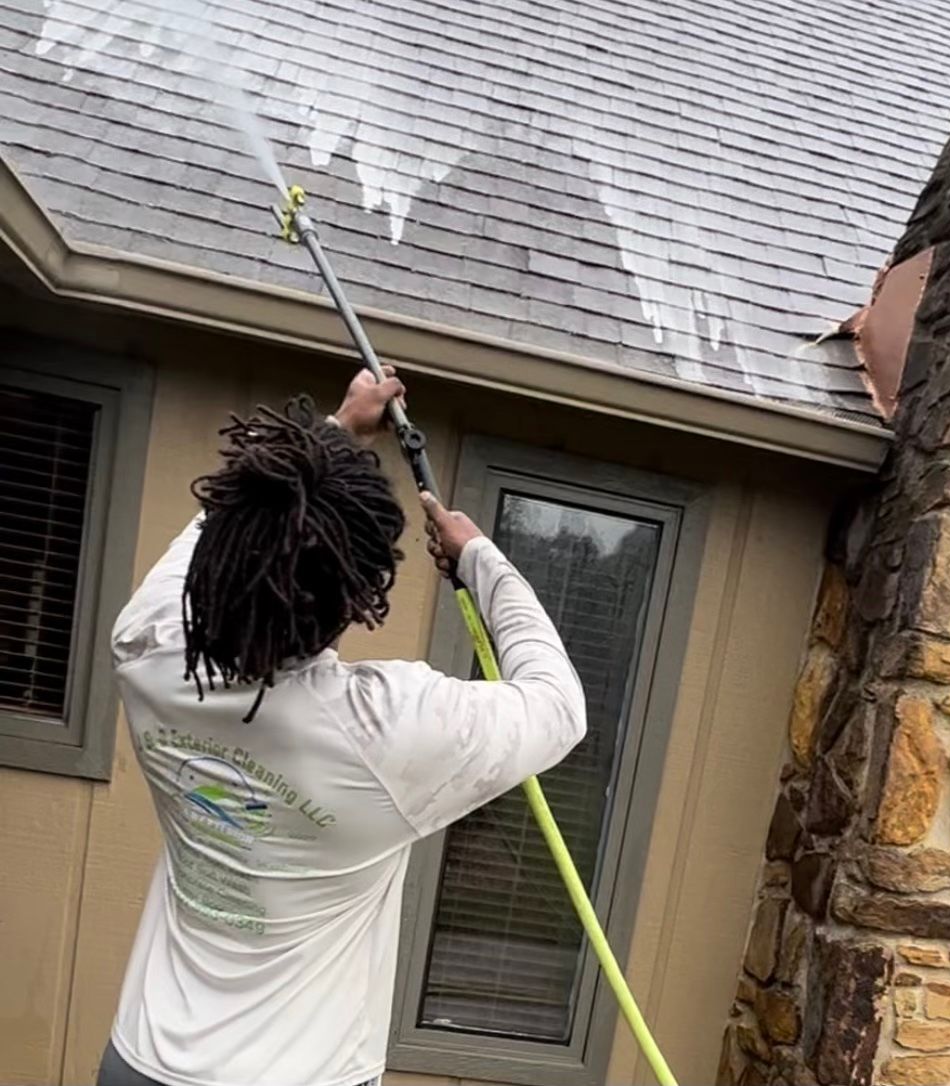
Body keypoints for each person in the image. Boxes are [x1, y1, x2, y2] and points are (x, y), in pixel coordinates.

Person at [96, 367, 587, 1086]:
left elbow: (231, 525)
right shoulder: (384, 734)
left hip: (140, 1062)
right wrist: (478, 559)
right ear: (354, 598)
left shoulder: (148, 646)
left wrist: (332, 433)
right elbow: (556, 705)